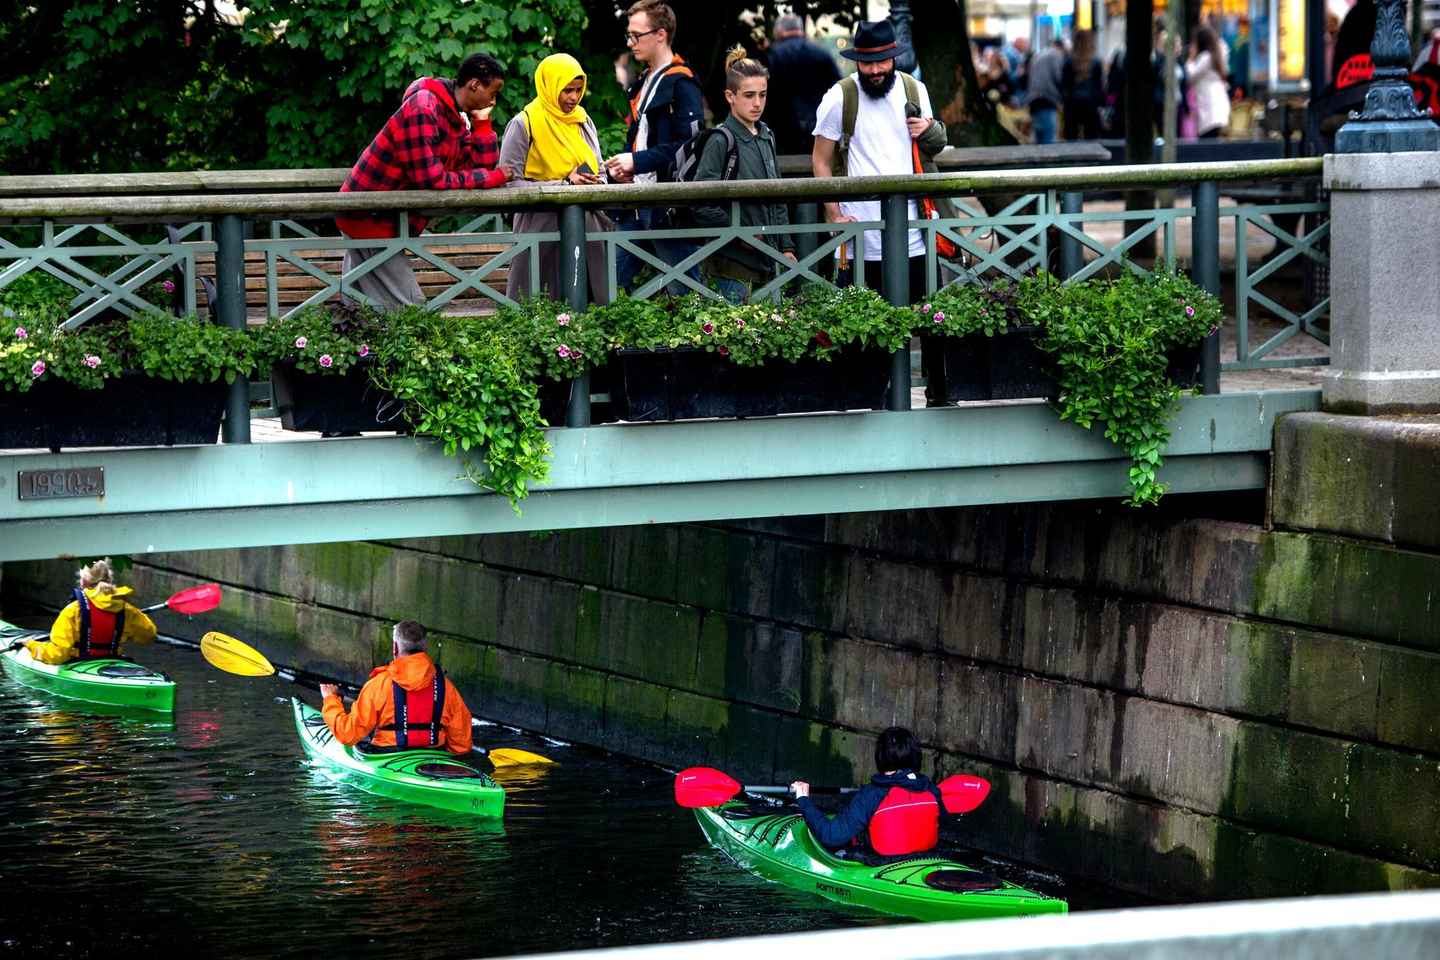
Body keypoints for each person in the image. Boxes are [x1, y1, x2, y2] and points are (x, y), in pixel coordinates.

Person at [335, 52, 511, 310]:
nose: (493, 101)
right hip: (368, 214)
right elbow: (431, 179)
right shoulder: (424, 107)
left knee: (361, 305)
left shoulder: (455, 116)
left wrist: (482, 123)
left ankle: (357, 345)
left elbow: (479, 167)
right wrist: (492, 178)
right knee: (410, 307)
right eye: (493, 93)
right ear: (475, 85)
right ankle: (412, 349)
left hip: (386, 217)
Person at [811, 19, 947, 296]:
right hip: (860, 234)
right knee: (863, 331)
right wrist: (834, 214)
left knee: (927, 321)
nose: (874, 70)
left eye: (882, 61)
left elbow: (931, 149)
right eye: (867, 62)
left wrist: (928, 129)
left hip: (916, 229)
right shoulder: (839, 96)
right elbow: (821, 159)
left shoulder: (915, 89)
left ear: (893, 57)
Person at [604, 1, 705, 294]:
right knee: (607, 286)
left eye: (637, 35)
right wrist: (626, 169)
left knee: (688, 293)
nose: (630, 42)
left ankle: (706, 339)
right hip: (638, 203)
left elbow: (689, 147)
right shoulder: (646, 79)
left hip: (668, 205)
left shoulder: (682, 82)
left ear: (660, 34)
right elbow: (641, 137)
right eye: (629, 35)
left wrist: (636, 162)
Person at [499, 52, 611, 304]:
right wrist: (564, 184)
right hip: (540, 226)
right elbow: (508, 183)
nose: (573, 97)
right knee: (536, 303)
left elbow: (600, 169)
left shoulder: (583, 121)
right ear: (549, 86)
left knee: (591, 306)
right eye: (566, 90)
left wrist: (595, 183)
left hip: (586, 226)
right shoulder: (524, 123)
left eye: (578, 90)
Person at [691, 47, 796, 304]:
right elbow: (700, 202)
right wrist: (739, 232)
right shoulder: (720, 140)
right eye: (749, 95)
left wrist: (786, 246)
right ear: (730, 96)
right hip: (732, 264)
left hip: (769, 261)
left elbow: (778, 195)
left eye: (762, 95)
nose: (757, 103)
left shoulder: (766, 135)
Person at [319, 620, 473, 755]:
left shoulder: (379, 685)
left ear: (395, 648)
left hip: (386, 757)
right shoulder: (446, 687)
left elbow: (347, 734)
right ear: (424, 649)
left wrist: (330, 699)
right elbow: (461, 746)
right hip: (433, 757)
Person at [790, 726, 944, 856]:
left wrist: (803, 800)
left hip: (879, 866)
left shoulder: (871, 794)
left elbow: (831, 835)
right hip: (922, 860)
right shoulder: (930, 789)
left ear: (880, 756)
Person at [11, 559, 157, 664]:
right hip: (112, 660)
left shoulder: (73, 610)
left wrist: (31, 645)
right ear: (109, 579)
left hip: (79, 661)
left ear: (83, 582)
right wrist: (126, 628)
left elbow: (57, 655)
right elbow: (149, 636)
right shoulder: (127, 609)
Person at [762, 14, 842, 157]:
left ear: (778, 32)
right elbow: (839, 89)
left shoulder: (771, 56)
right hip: (819, 127)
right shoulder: (822, 54)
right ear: (801, 29)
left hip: (782, 130)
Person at [1060, 29, 1105, 141]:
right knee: (1091, 139)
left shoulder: (1068, 61)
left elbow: (1064, 85)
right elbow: (1100, 87)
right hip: (1091, 104)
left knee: (1071, 139)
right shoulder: (1096, 61)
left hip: (1072, 104)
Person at [1186, 27, 1231, 138]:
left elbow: (1191, 76)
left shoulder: (1205, 58)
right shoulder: (1216, 56)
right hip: (1217, 106)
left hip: (1210, 109)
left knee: (1208, 142)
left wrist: (1190, 59)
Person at [1025, 38, 1066, 144]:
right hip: (1047, 100)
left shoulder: (1038, 55)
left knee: (1038, 140)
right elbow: (1059, 77)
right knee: (1049, 142)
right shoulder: (1056, 55)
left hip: (1033, 101)